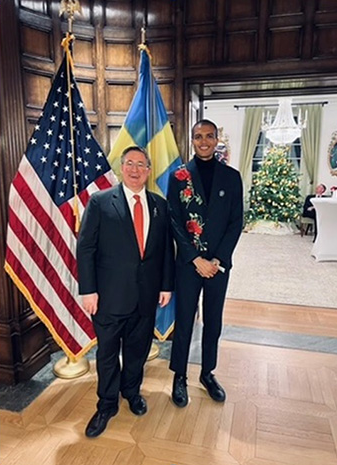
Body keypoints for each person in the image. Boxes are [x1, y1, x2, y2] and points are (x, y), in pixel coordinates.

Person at [76, 146, 174, 438]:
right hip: (108, 297)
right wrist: (88, 290)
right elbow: (86, 248)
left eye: (141, 165)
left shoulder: (160, 205)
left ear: (148, 170)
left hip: (145, 297)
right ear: (121, 167)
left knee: (137, 351)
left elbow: (166, 249)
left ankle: (131, 391)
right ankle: (106, 404)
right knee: (107, 354)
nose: (134, 169)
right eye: (129, 163)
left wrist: (166, 284)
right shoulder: (101, 202)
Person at [167, 119, 243, 407]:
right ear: (192, 139)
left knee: (213, 320)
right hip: (189, 264)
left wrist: (217, 259)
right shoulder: (179, 176)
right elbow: (174, 221)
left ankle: (207, 373)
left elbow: (236, 222)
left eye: (209, 136)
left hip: (218, 265)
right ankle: (179, 375)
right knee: (185, 319)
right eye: (198, 136)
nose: (203, 141)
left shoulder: (232, 177)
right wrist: (196, 258)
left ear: (216, 139)